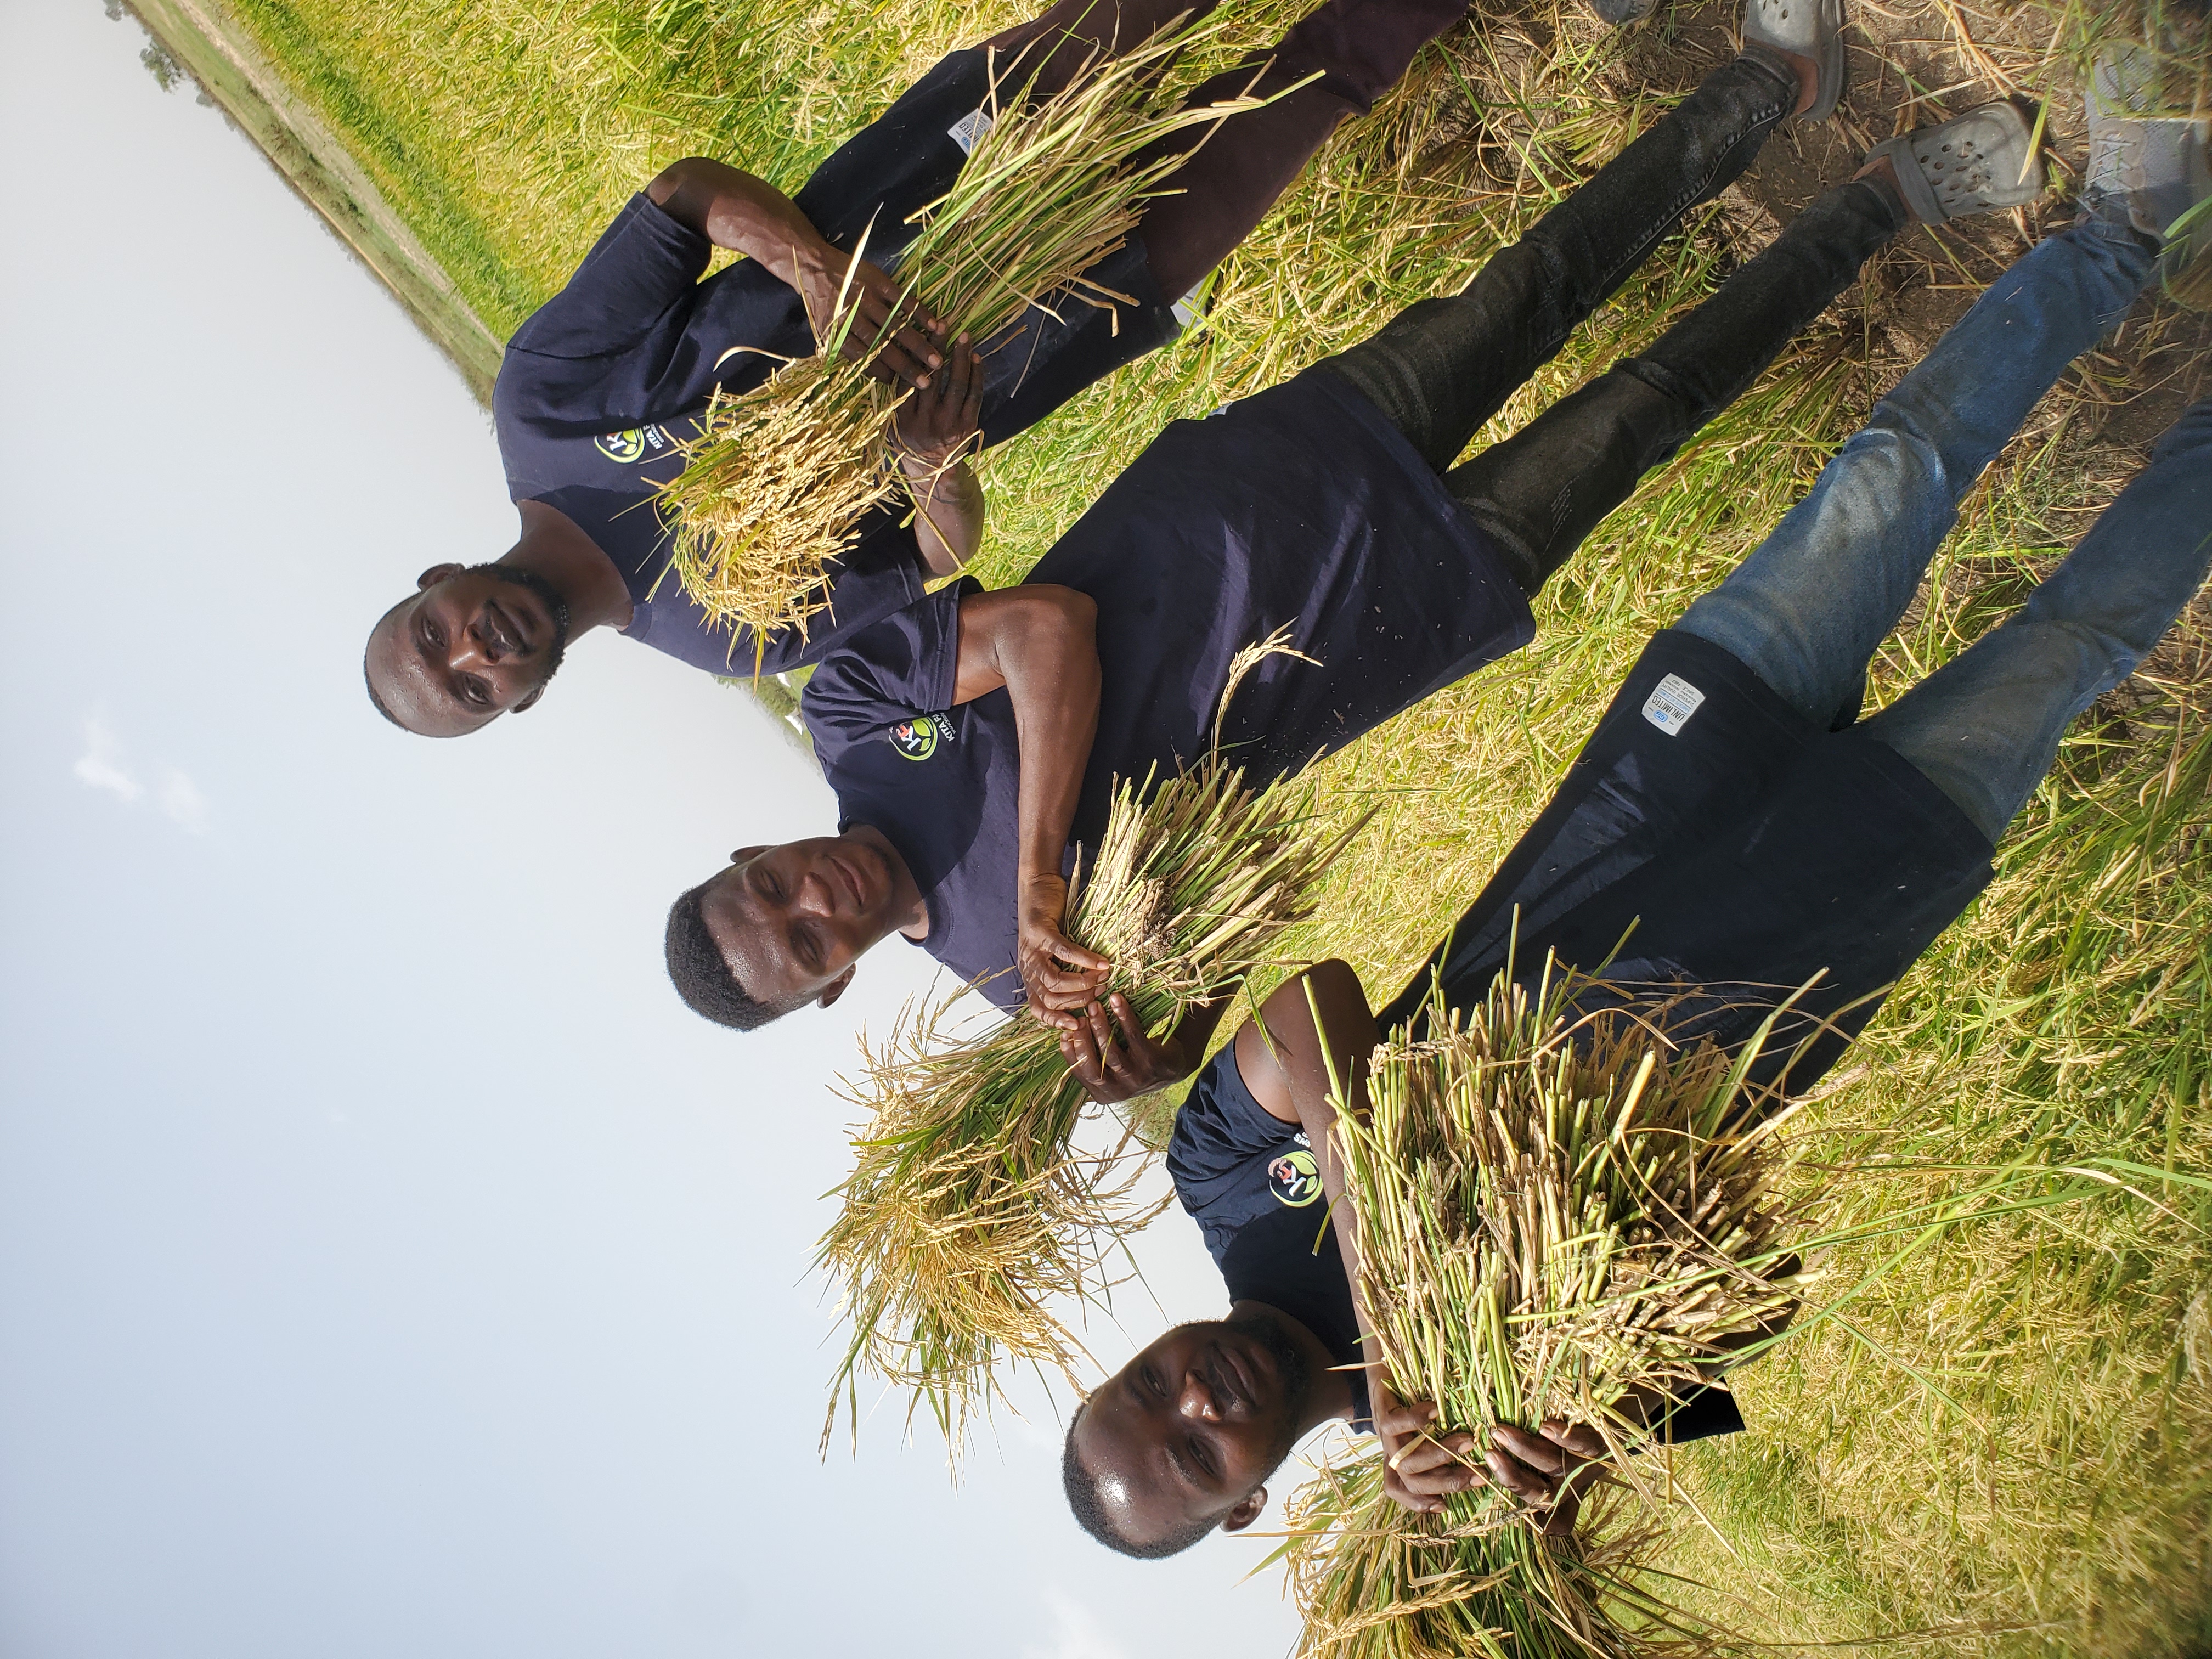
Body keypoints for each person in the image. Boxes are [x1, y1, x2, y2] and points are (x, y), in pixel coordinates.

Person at [1058, 67, 2211, 1558]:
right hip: (1812, 932)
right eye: (1192, 1451)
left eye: (1144, 1388)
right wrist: (1587, 1430)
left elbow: (1308, 1010)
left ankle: (2125, 224)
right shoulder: (1468, 1416)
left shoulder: (1219, 1187)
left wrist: (1383, 1249)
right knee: (2076, 644)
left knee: (1887, 478)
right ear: (1246, 1507)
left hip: (1644, 791)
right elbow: (1755, 1305)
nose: (1191, 1396)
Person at [662, 0, 2047, 1057]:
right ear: (835, 982)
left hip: (1271, 483)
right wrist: (1158, 1047)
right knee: (1654, 400)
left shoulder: (852, 712)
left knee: (1542, 279)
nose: (813, 897)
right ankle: (1886, 200)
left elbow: (1046, 630)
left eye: (773, 886)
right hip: (1396, 620)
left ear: (751, 853)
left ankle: (1772, 82)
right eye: (803, 941)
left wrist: (1038, 883)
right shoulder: (1024, 980)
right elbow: (1230, 938)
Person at [362, 0, 1483, 737]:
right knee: (1324, 83)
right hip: (1064, 316)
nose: (472, 650)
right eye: (471, 689)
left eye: (434, 633)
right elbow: (940, 554)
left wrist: (812, 270)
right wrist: (936, 461)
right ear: (516, 705)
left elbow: (681, 198)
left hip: (952, 156)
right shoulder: (721, 634)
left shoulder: (543, 407)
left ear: (435, 580)